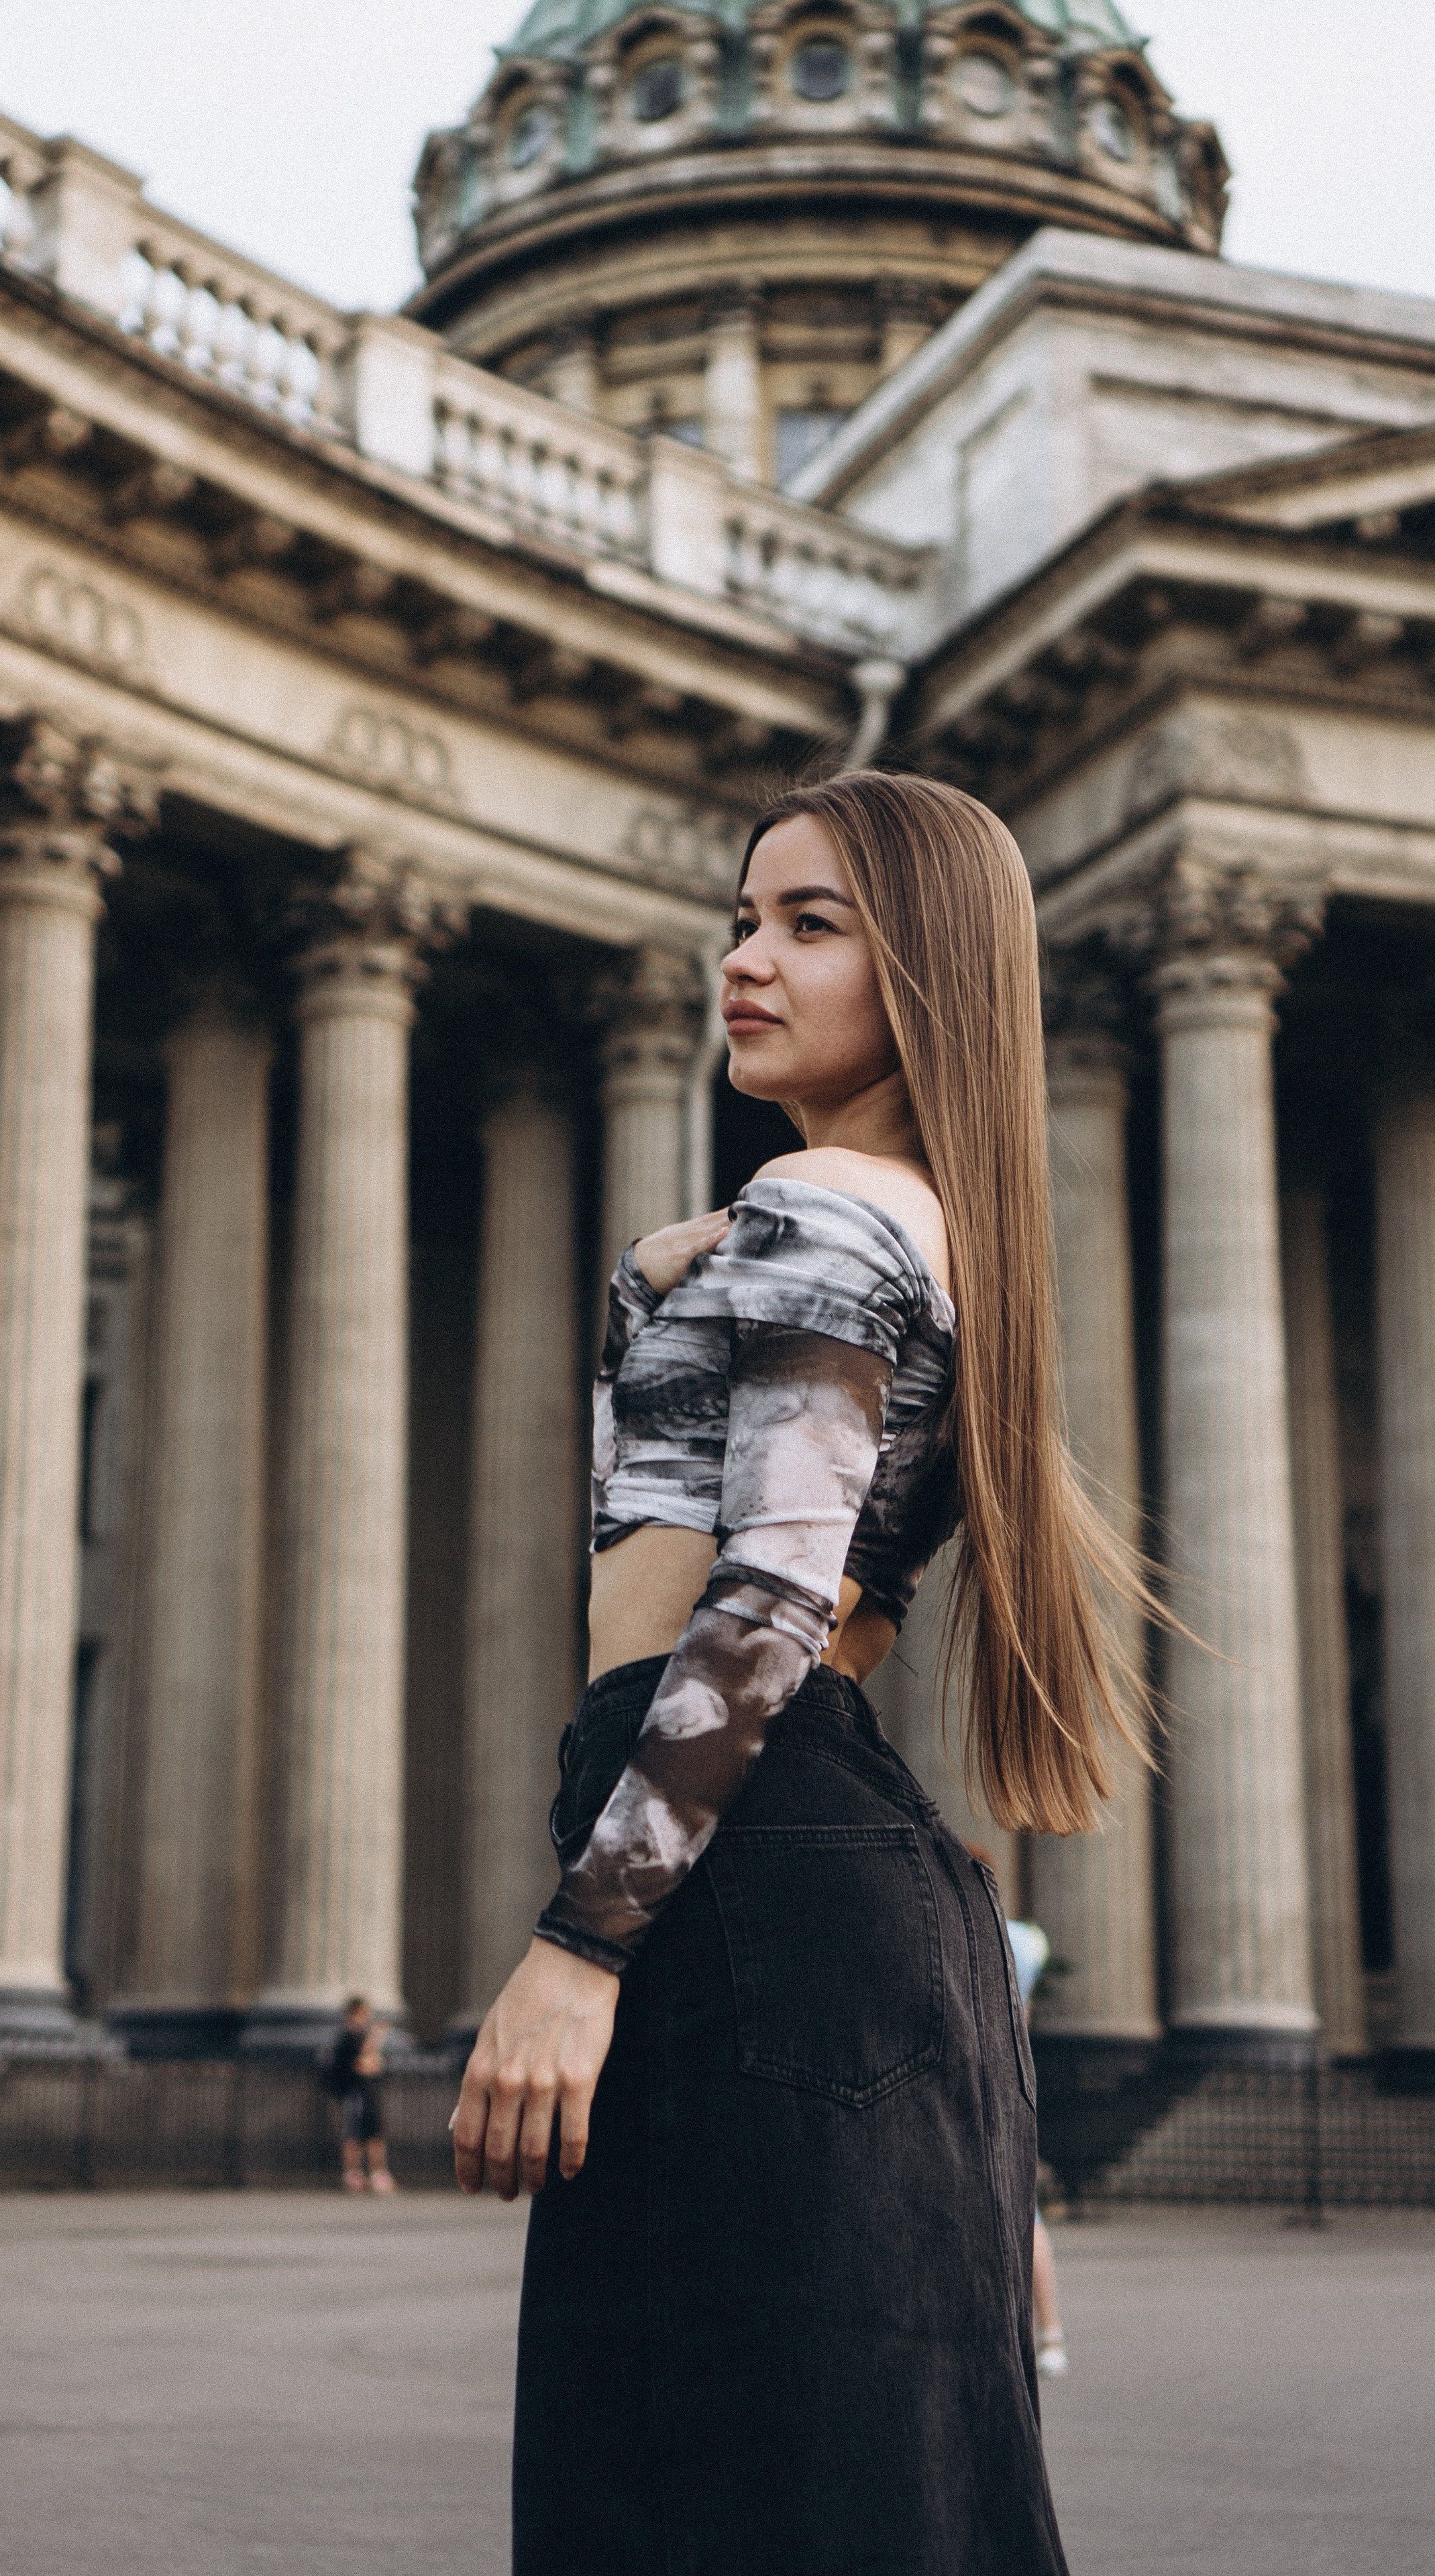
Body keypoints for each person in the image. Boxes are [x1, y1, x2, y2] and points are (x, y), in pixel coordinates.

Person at [454, 771, 1154, 2576]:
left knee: (691, 2488)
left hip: (737, 1878)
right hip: (805, 1870)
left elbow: (765, 1600)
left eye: (809, 924)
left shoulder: (827, 1200)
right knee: (836, 2493)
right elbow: (851, 1594)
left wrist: (578, 1945)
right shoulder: (906, 1219)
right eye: (741, 920)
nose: (745, 960)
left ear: (926, 970)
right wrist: (657, 1288)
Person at [1002, 1910, 1070, 2381]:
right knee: (1029, 2216)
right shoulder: (1026, 1940)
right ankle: (1051, 2335)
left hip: (980, 2072)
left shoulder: (994, 1929)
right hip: (1013, 2069)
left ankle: (1024, 2336)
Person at [328, 1995, 395, 2196]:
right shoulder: (348, 2037)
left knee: (374, 2133)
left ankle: (376, 2173)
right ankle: (354, 2174)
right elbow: (365, 2064)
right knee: (354, 2134)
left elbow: (376, 2064)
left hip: (367, 2092)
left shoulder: (357, 2035)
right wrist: (377, 2037)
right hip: (355, 2092)